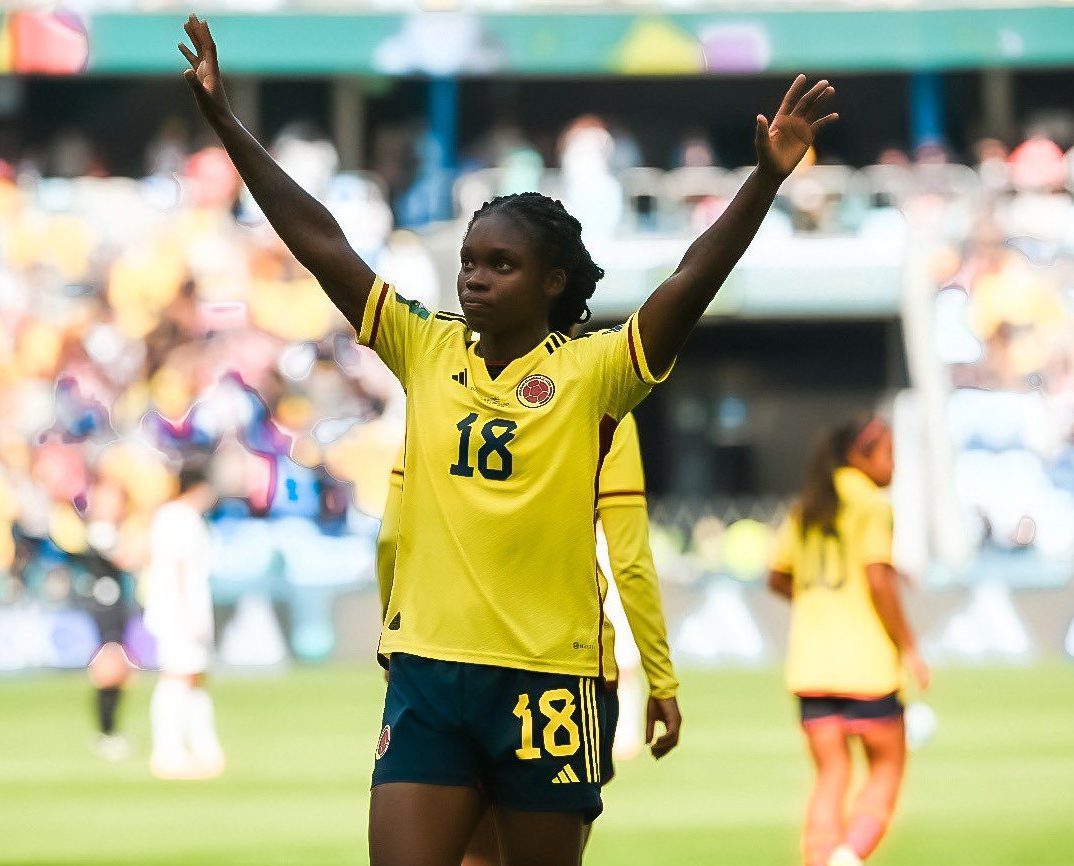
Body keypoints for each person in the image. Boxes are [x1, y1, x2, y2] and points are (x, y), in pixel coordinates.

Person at [179, 15, 836, 864]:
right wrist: (228, 124)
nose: (475, 278)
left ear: (553, 282)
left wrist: (763, 183)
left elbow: (690, 281)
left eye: (501, 265)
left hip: (549, 683)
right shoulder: (425, 345)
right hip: (428, 670)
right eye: (470, 260)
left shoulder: (597, 373)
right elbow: (322, 245)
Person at [376, 412, 681, 865]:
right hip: (555, 671)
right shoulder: (603, 397)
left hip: (441, 660)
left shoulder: (440, 387)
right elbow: (630, 560)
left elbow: (390, 538)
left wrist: (394, 637)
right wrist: (662, 679)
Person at [767, 417, 931, 866]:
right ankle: (850, 855)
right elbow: (877, 580)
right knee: (886, 772)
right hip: (867, 668)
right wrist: (911, 648)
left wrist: (817, 601)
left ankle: (819, 860)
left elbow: (778, 577)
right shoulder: (872, 505)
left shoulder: (808, 505)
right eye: (888, 454)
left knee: (830, 777)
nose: (893, 464)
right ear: (860, 455)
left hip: (811, 668)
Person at [143, 462, 225, 779]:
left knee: (193, 677)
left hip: (180, 609)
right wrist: (187, 611)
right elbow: (178, 566)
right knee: (176, 677)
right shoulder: (180, 518)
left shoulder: (172, 516)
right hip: (179, 610)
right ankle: (167, 751)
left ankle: (203, 747)